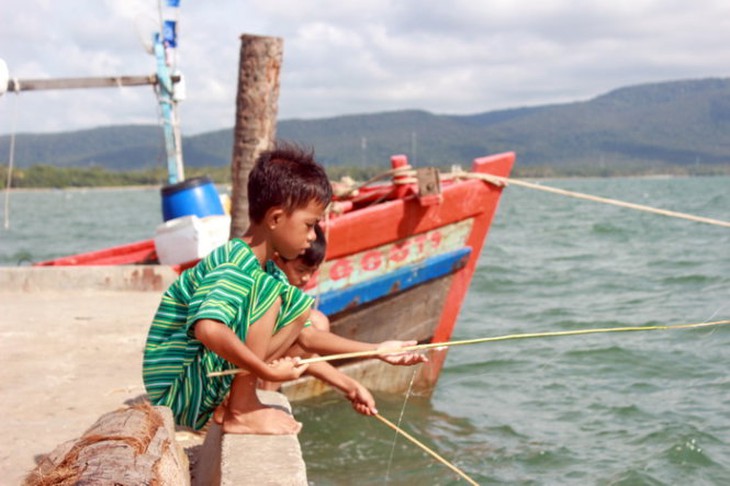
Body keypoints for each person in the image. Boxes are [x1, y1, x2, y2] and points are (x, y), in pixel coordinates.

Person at [142, 143, 424, 436]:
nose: (312, 236)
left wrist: (377, 350)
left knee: (299, 310)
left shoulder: (267, 270)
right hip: (177, 389)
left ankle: (237, 401)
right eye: (310, 224)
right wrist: (265, 371)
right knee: (272, 294)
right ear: (276, 219)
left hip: (199, 380)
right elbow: (208, 329)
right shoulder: (234, 262)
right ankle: (242, 409)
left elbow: (305, 335)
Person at [263, 224, 380, 416]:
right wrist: (377, 350)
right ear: (277, 258)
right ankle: (263, 399)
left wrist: (350, 386)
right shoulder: (268, 288)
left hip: (259, 361)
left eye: (312, 272)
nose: (306, 278)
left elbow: (303, 355)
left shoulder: (286, 291)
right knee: (316, 323)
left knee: (316, 321)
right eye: (300, 270)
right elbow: (308, 339)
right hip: (237, 373)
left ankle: (265, 396)